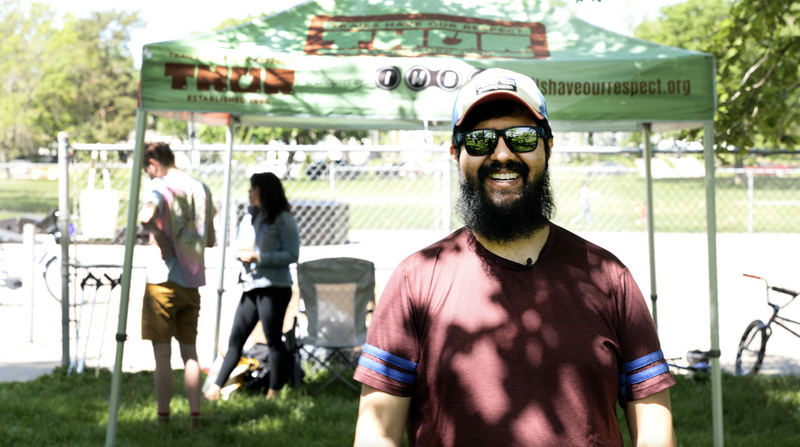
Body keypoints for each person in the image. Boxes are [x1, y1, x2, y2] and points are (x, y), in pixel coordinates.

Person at [352, 69, 676, 447]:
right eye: (480, 140)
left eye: (522, 137)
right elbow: (377, 431)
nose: (502, 154)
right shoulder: (415, 280)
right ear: (456, 154)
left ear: (548, 148)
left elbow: (653, 426)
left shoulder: (608, 278)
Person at [203, 172, 300, 401]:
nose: (249, 192)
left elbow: (292, 254)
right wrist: (241, 254)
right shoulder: (250, 217)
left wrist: (260, 258)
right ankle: (215, 389)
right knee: (236, 338)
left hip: (274, 286)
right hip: (251, 285)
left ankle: (273, 392)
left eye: (252, 188)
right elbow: (240, 244)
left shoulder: (283, 219)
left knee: (273, 339)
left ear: (263, 191)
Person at [139, 142, 216, 429]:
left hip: (162, 279)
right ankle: (196, 418)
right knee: (190, 353)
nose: (148, 174)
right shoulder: (200, 188)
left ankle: (163, 417)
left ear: (154, 162)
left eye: (147, 168)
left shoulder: (160, 186)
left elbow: (146, 216)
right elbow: (209, 239)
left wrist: (160, 235)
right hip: (192, 280)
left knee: (162, 355)